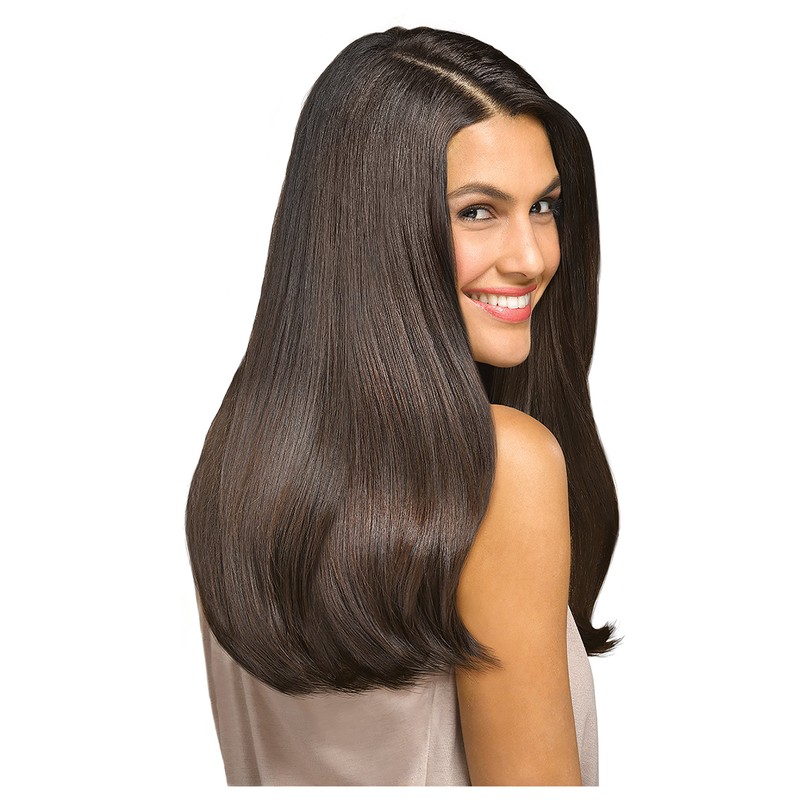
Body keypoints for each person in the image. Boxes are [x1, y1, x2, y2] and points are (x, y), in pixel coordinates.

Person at [185, 25, 618, 786]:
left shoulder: (241, 465)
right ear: (374, 227)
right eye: (478, 211)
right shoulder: (502, 467)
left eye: (545, 206)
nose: (532, 256)